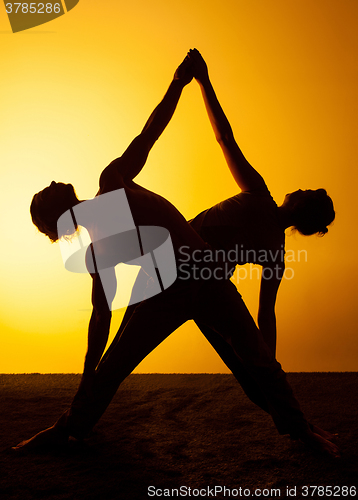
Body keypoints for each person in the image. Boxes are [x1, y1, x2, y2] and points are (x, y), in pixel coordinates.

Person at [13, 54, 339, 457]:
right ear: (54, 222)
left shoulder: (111, 179)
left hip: (205, 277)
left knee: (258, 365)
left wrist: (180, 83)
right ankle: (70, 428)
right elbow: (101, 318)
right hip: (170, 284)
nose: (49, 182)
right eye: (43, 195)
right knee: (117, 363)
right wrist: (87, 375)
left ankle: (302, 430)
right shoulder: (99, 240)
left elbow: (151, 131)